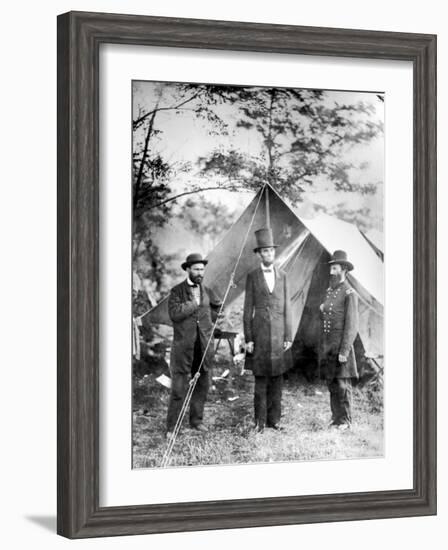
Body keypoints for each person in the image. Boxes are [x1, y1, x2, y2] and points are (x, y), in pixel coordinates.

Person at [166, 253, 222, 439]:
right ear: (188, 269)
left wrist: (216, 311)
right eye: (196, 269)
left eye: (202, 269)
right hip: (183, 348)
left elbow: (208, 317)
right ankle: (172, 427)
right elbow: (174, 314)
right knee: (179, 387)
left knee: (202, 384)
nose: (200, 272)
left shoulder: (207, 290)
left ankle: (196, 421)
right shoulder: (176, 291)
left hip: (203, 346)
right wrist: (193, 303)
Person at [243, 228, 292, 432]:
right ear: (259, 254)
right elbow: (247, 310)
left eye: (271, 251)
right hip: (260, 335)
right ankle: (259, 422)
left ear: (275, 253)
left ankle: (275, 420)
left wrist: (289, 336)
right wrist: (249, 338)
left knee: (277, 381)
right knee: (261, 381)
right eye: (264, 251)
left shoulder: (283, 276)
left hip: (279, 335)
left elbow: (288, 307)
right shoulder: (253, 276)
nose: (268, 254)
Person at [319, 250, 359, 431]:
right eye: (331, 268)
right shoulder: (330, 291)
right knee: (332, 383)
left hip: (341, 347)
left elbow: (352, 326)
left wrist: (344, 351)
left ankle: (345, 421)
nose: (331, 272)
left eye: (334, 268)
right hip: (329, 346)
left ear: (343, 269)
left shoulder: (349, 293)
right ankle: (336, 418)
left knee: (343, 385)